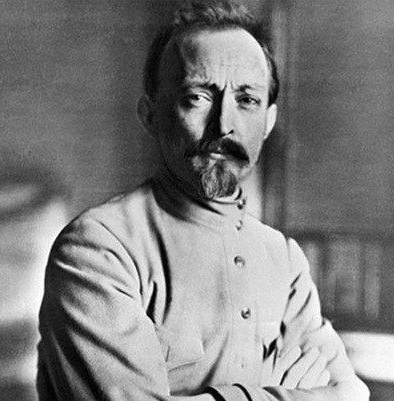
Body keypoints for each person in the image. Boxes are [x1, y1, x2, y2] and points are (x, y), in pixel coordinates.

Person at [37, 1, 369, 400]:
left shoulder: (283, 260)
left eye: (247, 100)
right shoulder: (99, 249)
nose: (224, 125)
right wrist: (277, 393)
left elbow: (351, 394)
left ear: (268, 121)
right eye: (197, 97)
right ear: (150, 115)